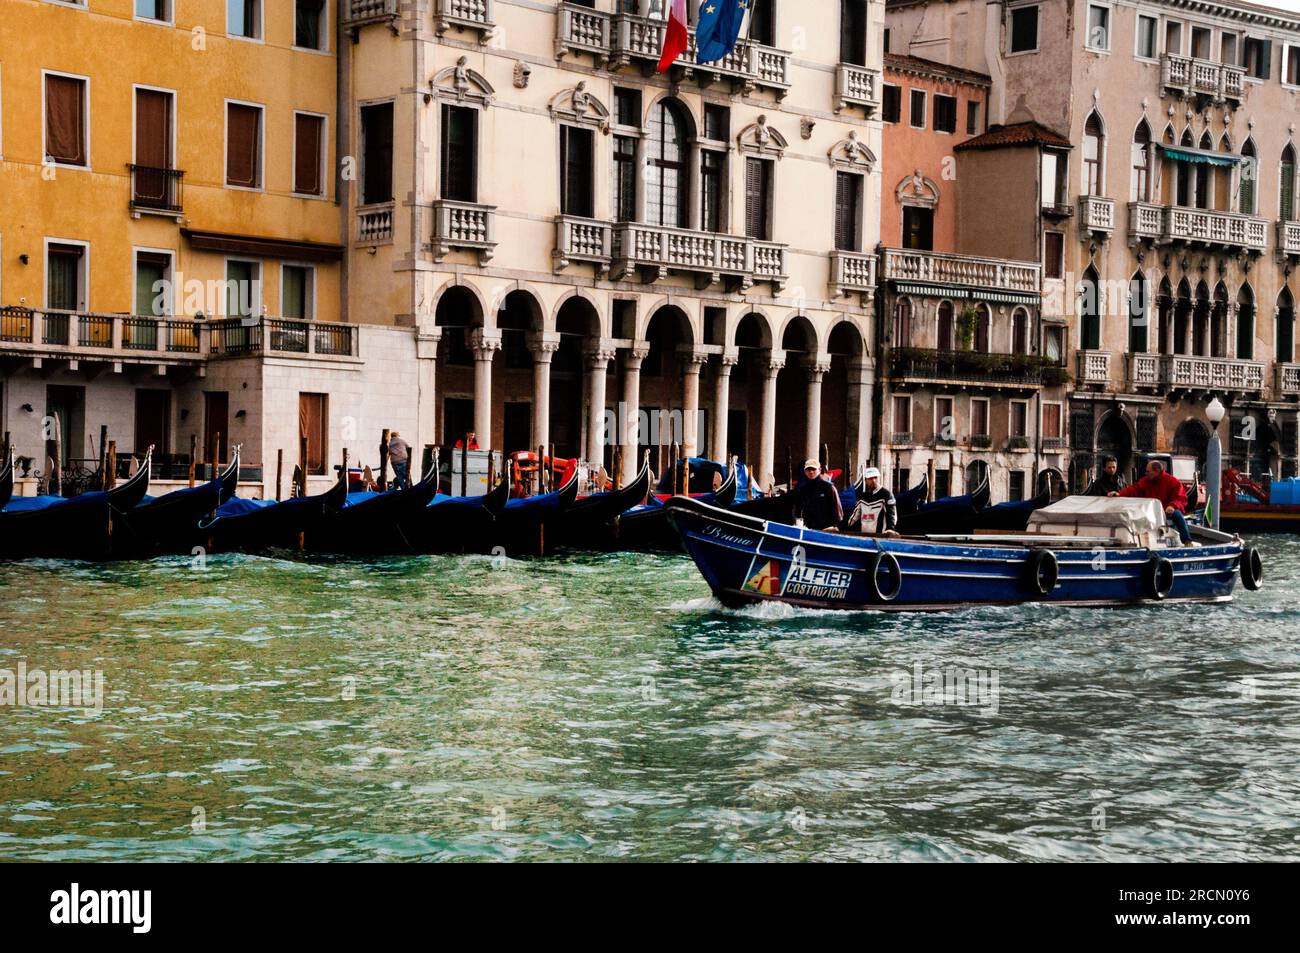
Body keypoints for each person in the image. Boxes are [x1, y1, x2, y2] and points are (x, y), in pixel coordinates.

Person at [1114, 459, 1191, 544]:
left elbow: (1181, 498)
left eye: (1148, 471)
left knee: (1177, 515)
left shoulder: (1172, 481)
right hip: (1151, 510)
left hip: (1167, 510)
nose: (1146, 474)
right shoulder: (1146, 481)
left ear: (1157, 471)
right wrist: (1119, 494)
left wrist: (1172, 506)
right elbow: (1133, 489)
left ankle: (1187, 540)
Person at [847, 466, 899, 536]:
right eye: (871, 478)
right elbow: (854, 517)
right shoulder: (862, 497)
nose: (874, 480)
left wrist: (890, 529)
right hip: (864, 537)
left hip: (881, 537)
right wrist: (839, 527)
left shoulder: (887, 494)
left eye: (875, 477)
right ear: (865, 480)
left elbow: (892, 514)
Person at [792, 458, 843, 530]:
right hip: (809, 529)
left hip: (827, 529)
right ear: (805, 471)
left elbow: (837, 510)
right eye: (808, 469)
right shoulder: (803, 490)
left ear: (819, 469)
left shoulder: (829, 488)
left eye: (813, 469)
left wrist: (835, 526)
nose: (811, 472)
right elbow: (798, 510)